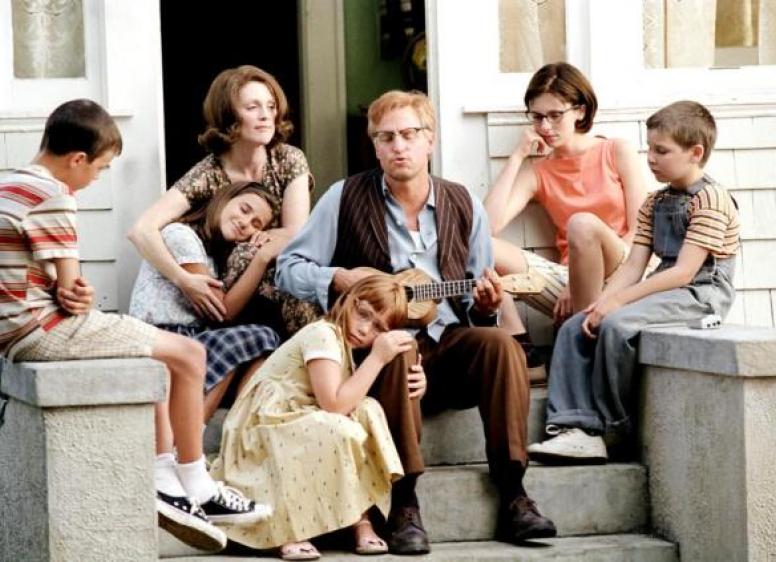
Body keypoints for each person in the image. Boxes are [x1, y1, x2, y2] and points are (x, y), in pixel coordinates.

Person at [276, 90, 557, 553]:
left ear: (430, 140)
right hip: (379, 355)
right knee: (396, 349)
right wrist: (338, 277)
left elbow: (474, 299)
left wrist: (487, 305)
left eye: (409, 134)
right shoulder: (343, 197)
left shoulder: (463, 203)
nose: (398, 146)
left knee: (502, 345)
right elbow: (288, 268)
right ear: (374, 146)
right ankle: (403, 502)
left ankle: (514, 493)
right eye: (386, 137)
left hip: (446, 346)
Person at [0, 99, 268, 553]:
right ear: (77, 159)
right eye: (100, 168)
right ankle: (193, 481)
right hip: (41, 331)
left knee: (158, 357)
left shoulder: (10, 184)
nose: (96, 179)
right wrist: (76, 293)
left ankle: (168, 475)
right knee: (191, 353)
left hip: (17, 326)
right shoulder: (54, 195)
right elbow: (70, 288)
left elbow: (57, 285)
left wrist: (75, 293)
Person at [527, 101, 740, 464]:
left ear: (695, 153)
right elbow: (632, 267)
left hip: (701, 294)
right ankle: (571, 427)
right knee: (577, 325)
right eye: (649, 148)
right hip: (665, 288)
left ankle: (610, 427)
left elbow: (684, 272)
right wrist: (600, 303)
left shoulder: (711, 199)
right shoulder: (655, 202)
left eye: (662, 151)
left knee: (616, 326)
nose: (651, 159)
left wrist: (616, 305)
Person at [211, 276, 421, 559]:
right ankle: (289, 527)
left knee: (368, 409)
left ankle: (360, 520)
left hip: (301, 415)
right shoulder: (322, 333)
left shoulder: (347, 344)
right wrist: (377, 358)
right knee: (339, 427)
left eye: (378, 329)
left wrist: (419, 379)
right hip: (267, 424)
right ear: (348, 300)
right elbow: (333, 404)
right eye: (363, 314)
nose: (364, 329)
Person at [128, 65, 319, 337]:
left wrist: (268, 246)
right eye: (252, 107)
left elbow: (296, 234)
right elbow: (141, 230)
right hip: (231, 297)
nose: (266, 115)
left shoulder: (288, 159)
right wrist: (183, 280)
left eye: (271, 106)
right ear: (229, 117)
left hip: (280, 279)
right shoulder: (208, 173)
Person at [483, 62, 646, 367]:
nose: (545, 127)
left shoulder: (616, 151)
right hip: (566, 284)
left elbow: (641, 232)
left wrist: (578, 283)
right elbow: (488, 226)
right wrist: (517, 156)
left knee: (582, 224)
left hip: (621, 272)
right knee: (480, 244)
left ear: (580, 111)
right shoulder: (539, 171)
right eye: (537, 117)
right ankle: (522, 345)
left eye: (555, 115)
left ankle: (582, 355)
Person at [129, 181, 283, 421]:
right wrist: (262, 259)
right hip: (160, 338)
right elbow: (223, 310)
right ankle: (194, 430)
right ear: (224, 199)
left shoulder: (212, 256)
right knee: (248, 339)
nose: (246, 223)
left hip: (188, 338)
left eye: (256, 224)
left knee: (259, 339)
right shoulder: (181, 235)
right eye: (244, 209)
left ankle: (222, 428)